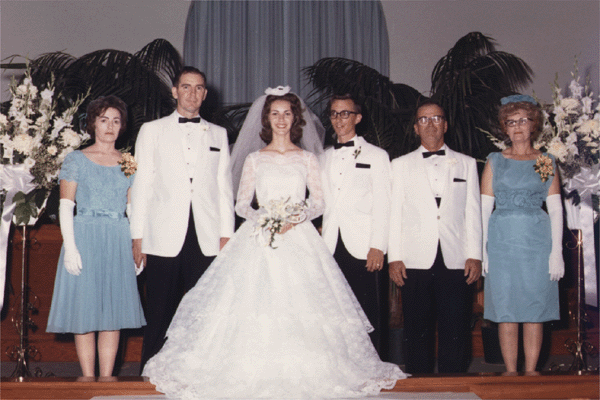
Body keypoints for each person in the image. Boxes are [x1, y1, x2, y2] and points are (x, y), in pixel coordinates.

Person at [142, 87, 406, 399]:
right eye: (275, 114)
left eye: (287, 113)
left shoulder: (309, 159)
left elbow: (319, 203)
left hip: (300, 237)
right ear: (266, 119)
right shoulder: (254, 159)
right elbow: (241, 205)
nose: (281, 119)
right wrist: (264, 218)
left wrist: (295, 217)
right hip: (259, 237)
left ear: (296, 118)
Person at [129, 66, 235, 371]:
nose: (192, 93)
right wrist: (138, 236)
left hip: (206, 236)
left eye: (198, 88)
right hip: (162, 235)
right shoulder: (152, 130)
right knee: (159, 310)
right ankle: (149, 374)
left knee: (204, 312)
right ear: (175, 91)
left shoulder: (218, 134)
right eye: (186, 87)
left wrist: (226, 235)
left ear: (205, 94)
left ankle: (202, 373)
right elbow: (142, 184)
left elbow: (224, 188)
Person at [46, 96, 146, 377]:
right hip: (85, 237)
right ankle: (88, 378)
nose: (110, 126)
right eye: (104, 120)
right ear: (92, 124)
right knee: (85, 310)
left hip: (117, 237)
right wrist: (71, 247)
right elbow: (66, 206)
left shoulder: (128, 161)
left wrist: (138, 245)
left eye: (116, 121)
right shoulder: (76, 159)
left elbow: (133, 207)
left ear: (122, 126)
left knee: (113, 313)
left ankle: (107, 378)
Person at [388, 99, 482, 374]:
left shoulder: (466, 164)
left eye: (436, 118)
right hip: (414, 256)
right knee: (417, 324)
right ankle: (420, 381)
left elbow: (473, 212)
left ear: (446, 125)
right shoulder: (400, 165)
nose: (430, 124)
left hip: (456, 255)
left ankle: (454, 383)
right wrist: (395, 257)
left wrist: (475, 254)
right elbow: (395, 214)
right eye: (424, 119)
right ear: (416, 128)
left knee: (456, 324)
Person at [481, 94, 563, 373]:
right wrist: (483, 250)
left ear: (533, 125)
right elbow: (484, 208)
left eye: (523, 120)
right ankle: (510, 372)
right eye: (511, 122)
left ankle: (530, 372)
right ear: (504, 127)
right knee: (506, 309)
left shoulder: (544, 161)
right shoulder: (495, 160)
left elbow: (555, 208)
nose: (517, 127)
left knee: (534, 309)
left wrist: (557, 253)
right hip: (502, 242)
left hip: (537, 243)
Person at [320, 94, 391, 358]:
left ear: (358, 118)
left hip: (364, 245)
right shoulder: (323, 157)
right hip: (330, 245)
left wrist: (378, 246)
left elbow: (384, 203)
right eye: (334, 113)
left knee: (369, 311)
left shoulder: (377, 155)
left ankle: (374, 365)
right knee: (337, 313)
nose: (339, 119)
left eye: (345, 113)